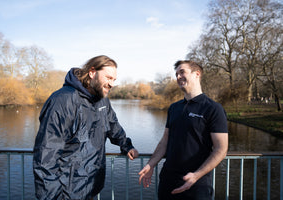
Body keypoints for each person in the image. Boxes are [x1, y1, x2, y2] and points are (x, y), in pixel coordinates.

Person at [33, 55, 139, 200]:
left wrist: (126, 145)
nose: (112, 84)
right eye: (108, 78)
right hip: (66, 193)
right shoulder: (63, 101)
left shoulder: (102, 101)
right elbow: (46, 158)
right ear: (92, 72)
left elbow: (113, 127)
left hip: (90, 189)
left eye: (114, 80)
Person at [139, 60, 228, 200]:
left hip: (196, 184)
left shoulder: (213, 108)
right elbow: (165, 141)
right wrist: (151, 165)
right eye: (176, 74)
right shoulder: (174, 108)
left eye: (182, 72)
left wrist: (196, 175)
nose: (178, 77)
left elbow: (221, 149)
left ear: (196, 74)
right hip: (168, 180)